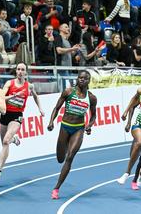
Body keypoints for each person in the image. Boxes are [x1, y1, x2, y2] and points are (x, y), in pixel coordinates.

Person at [47, 70, 97, 199]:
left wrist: (89, 125)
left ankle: (56, 188)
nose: (82, 80)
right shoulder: (68, 92)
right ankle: (63, 151)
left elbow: (93, 115)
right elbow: (56, 108)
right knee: (60, 159)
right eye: (80, 77)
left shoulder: (91, 98)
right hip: (65, 127)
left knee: (69, 157)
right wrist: (51, 121)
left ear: (88, 81)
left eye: (85, 78)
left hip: (78, 129)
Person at [0, 62, 44, 181]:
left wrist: (40, 109)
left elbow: (35, 96)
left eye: (22, 69)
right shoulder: (9, 83)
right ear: (16, 71)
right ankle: (14, 139)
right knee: (5, 141)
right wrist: (13, 96)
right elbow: (2, 97)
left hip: (17, 116)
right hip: (5, 114)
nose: (20, 71)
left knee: (5, 141)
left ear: (26, 72)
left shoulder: (29, 86)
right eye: (18, 69)